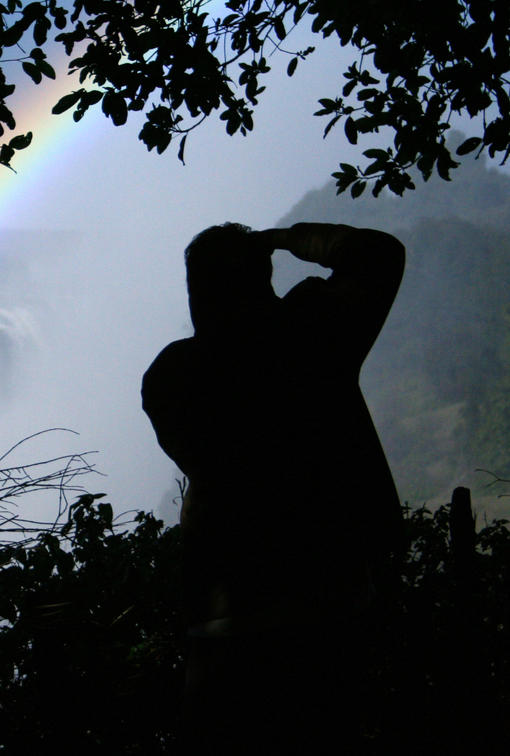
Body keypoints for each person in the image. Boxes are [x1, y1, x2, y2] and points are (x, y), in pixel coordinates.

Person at [141, 222, 405, 753]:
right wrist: (284, 238)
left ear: (196, 291)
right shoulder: (314, 334)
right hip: (330, 606)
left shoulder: (170, 377)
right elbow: (379, 253)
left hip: (220, 631)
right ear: (263, 278)